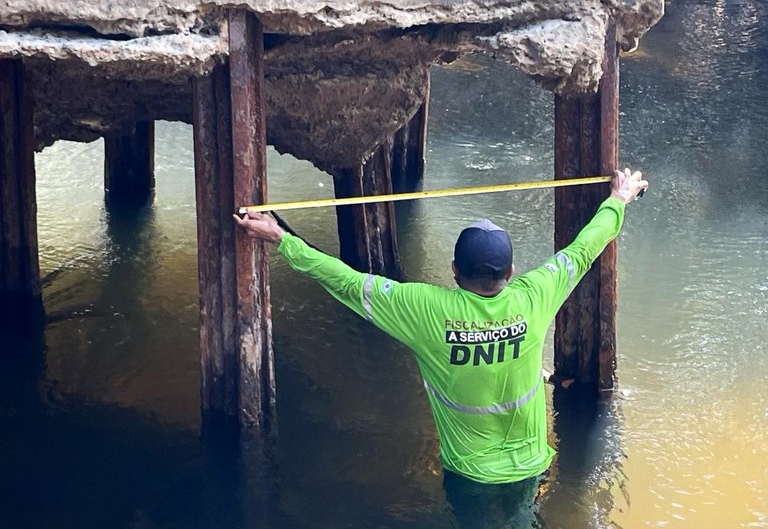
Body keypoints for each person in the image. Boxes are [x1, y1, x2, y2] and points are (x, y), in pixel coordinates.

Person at [233, 168, 648, 521]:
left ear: (453, 270)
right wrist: (619, 198)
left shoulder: (425, 309)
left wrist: (281, 238)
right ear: (510, 272)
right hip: (532, 468)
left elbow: (346, 281)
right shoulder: (535, 295)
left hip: (470, 478)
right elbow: (584, 249)